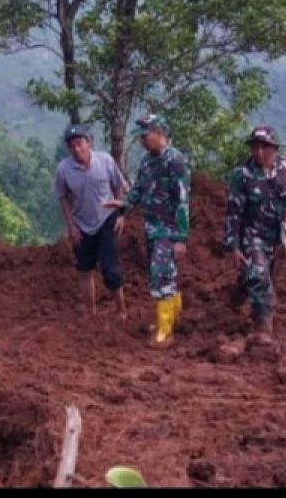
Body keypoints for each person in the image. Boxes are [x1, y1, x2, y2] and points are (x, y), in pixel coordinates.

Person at [103, 114, 191, 349]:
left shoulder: (176, 161)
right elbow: (139, 190)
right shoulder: (146, 162)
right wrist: (125, 204)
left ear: (159, 132)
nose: (142, 141)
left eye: (145, 136)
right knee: (162, 275)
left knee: (160, 273)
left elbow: (182, 201)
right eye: (140, 137)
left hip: (169, 229)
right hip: (151, 227)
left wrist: (182, 238)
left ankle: (165, 331)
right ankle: (171, 319)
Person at [224, 125, 286, 343]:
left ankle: (243, 289)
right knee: (260, 275)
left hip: (277, 236)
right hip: (251, 234)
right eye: (255, 147)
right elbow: (233, 211)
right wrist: (234, 245)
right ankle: (263, 330)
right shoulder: (242, 175)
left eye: (264, 147)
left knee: (265, 275)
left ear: (274, 148)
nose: (259, 152)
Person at [54, 124, 129, 320]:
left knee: (109, 266)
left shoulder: (105, 161)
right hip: (82, 224)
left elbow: (119, 186)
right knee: (84, 268)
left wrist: (121, 214)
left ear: (89, 143)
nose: (77, 149)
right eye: (72, 146)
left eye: (80, 143)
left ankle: (121, 309)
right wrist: (71, 226)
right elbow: (62, 197)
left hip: (107, 218)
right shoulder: (63, 170)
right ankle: (90, 311)